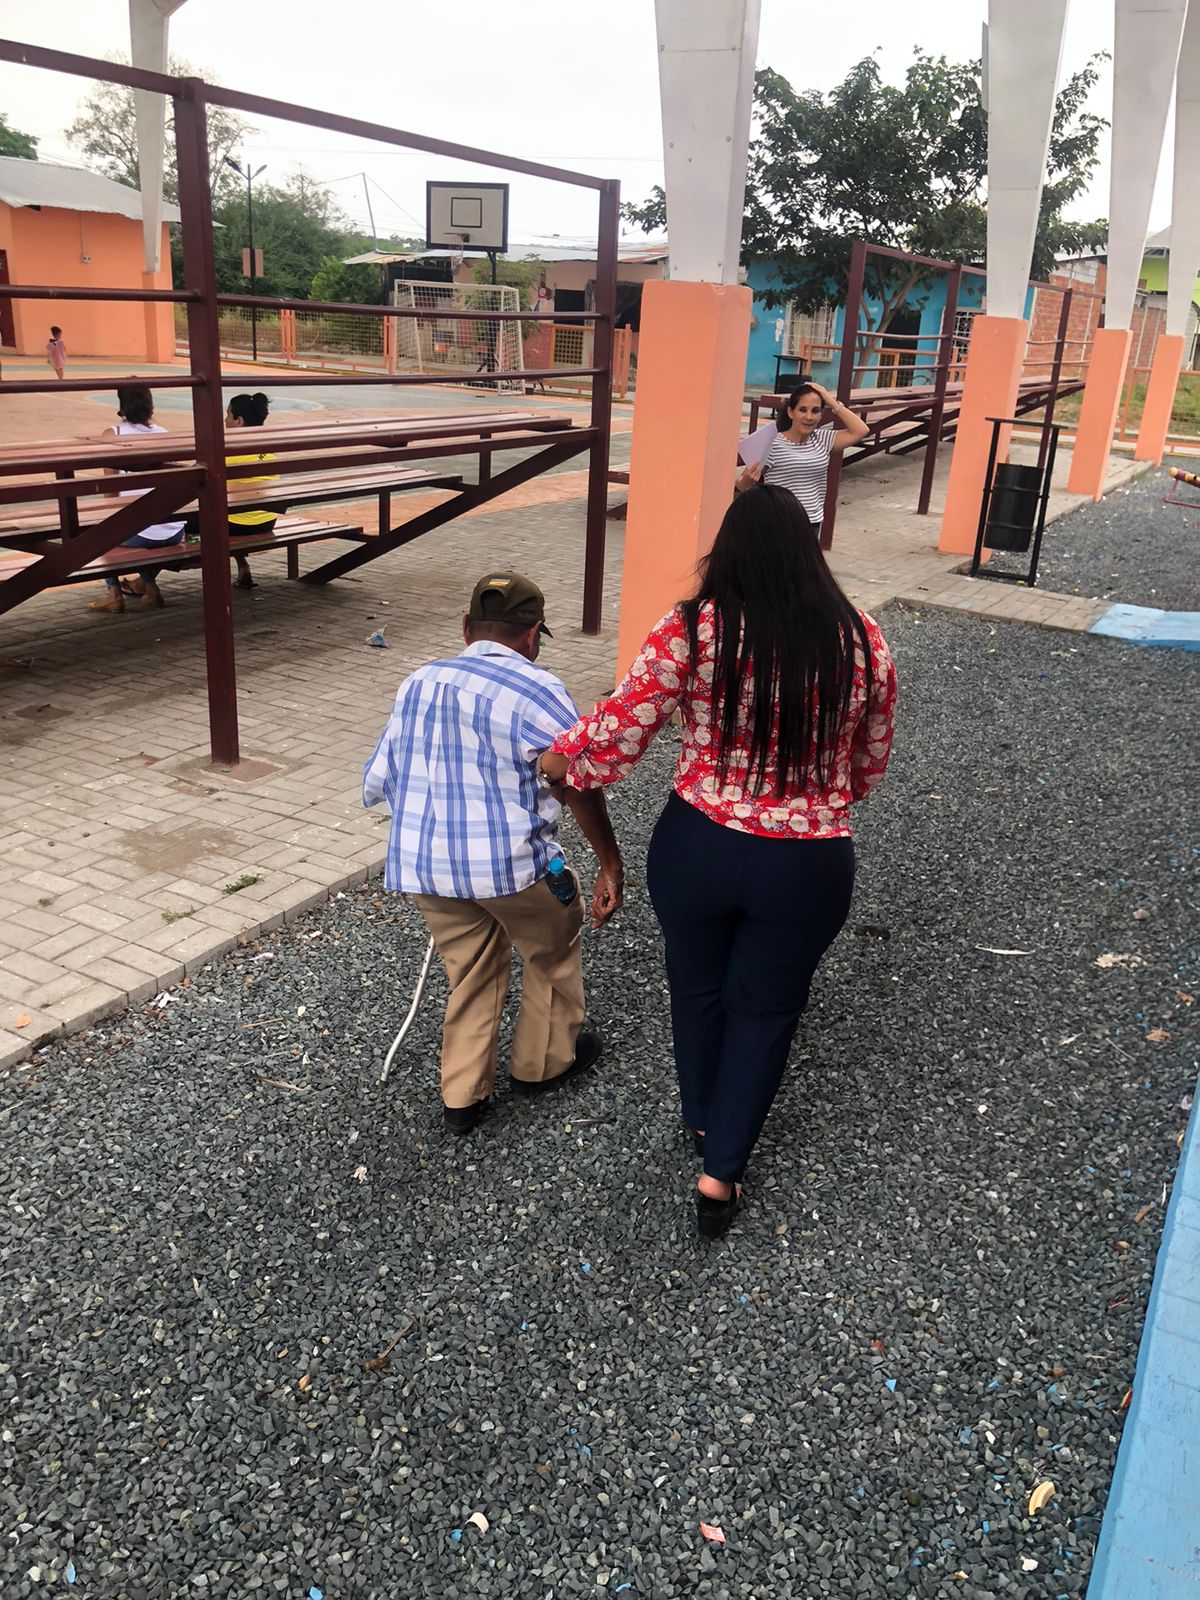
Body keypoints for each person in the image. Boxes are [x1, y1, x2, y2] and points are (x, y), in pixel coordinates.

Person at [541, 487, 897, 1239]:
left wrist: (563, 759)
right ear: (809, 551)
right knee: (766, 1010)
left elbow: (623, 725)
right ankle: (720, 1173)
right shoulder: (863, 639)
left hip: (698, 843)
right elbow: (869, 762)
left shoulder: (692, 628)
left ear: (726, 550)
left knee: (696, 985)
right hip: (808, 861)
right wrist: (816, 797)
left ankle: (702, 1116)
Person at [364, 572, 625, 1136]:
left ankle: (461, 1098)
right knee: (552, 948)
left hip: (425, 867)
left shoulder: (418, 681)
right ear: (533, 635)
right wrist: (610, 861)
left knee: (472, 970)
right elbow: (574, 780)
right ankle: (542, 1064)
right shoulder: (540, 689)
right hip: (511, 869)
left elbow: (381, 776)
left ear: (466, 628)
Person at [88, 386, 186, 614]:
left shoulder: (112, 435)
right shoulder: (165, 434)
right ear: (151, 404)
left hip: (142, 532)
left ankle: (114, 593)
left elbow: (110, 495)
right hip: (174, 530)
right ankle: (149, 587)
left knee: (102, 529)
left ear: (121, 405)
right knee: (139, 522)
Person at [738, 381, 869, 540]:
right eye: (802, 410)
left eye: (815, 411)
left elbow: (861, 430)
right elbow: (743, 486)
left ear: (821, 415)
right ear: (790, 412)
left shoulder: (823, 439)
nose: (809, 417)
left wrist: (830, 401)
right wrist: (749, 480)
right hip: (779, 524)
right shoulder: (772, 443)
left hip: (812, 523)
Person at [223, 392, 277, 590]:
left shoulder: (228, 451)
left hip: (235, 525)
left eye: (228, 415)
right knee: (235, 510)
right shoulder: (268, 447)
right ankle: (243, 566)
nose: (225, 420)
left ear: (239, 421)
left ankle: (147, 580)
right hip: (267, 520)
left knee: (179, 524)